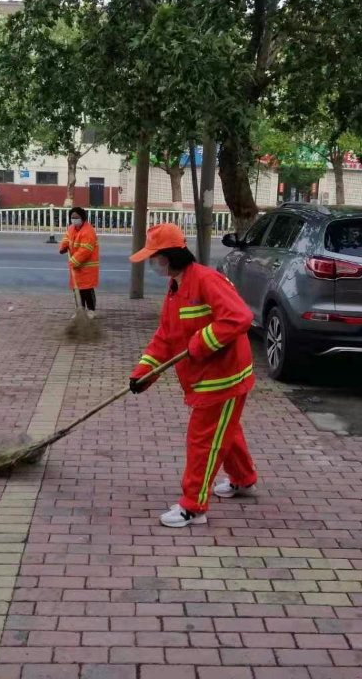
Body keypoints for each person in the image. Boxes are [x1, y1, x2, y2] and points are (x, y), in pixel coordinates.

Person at [128, 223, 258, 528]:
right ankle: (243, 479)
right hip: (203, 378)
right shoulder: (176, 288)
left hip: (224, 378)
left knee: (204, 441)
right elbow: (165, 336)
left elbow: (239, 317)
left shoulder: (206, 280)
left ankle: (193, 507)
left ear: (171, 255)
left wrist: (200, 343)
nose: (153, 264)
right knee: (227, 431)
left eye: (155, 257)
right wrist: (143, 372)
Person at [59, 207, 100, 319]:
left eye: (76, 217)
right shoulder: (72, 228)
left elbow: (85, 250)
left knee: (87, 290)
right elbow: (66, 239)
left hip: (87, 267)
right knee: (77, 290)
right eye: (72, 218)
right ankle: (79, 310)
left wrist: (73, 261)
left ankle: (91, 310)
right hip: (76, 266)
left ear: (82, 217)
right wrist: (63, 247)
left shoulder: (88, 231)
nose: (74, 220)